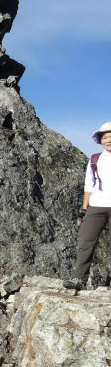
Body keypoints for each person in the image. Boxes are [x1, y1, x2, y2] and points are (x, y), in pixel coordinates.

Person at [63, 122, 111, 290]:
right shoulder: (95, 159)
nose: (108, 140)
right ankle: (79, 279)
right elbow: (88, 186)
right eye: (105, 137)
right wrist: (84, 210)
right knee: (85, 241)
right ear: (100, 140)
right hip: (96, 206)